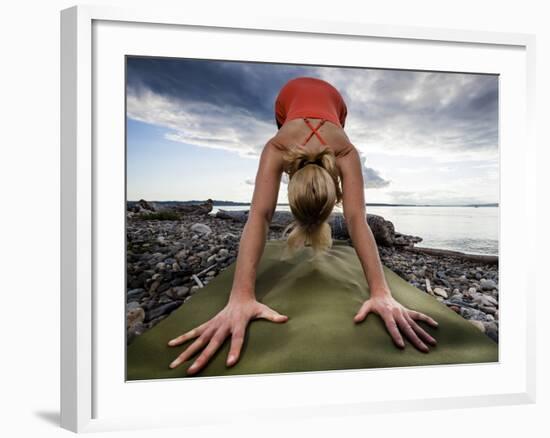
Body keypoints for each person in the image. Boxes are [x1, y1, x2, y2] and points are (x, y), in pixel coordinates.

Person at [167, 76, 439, 375]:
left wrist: (382, 293)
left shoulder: (306, 148)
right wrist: (240, 297)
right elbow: (354, 218)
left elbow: (261, 215)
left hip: (334, 105)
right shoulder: (311, 148)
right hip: (290, 103)